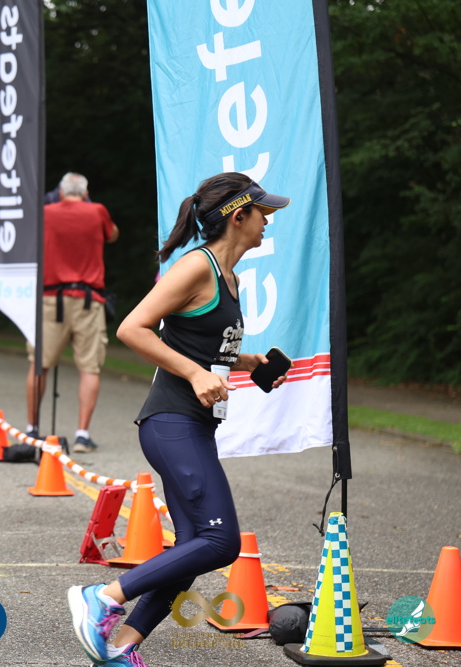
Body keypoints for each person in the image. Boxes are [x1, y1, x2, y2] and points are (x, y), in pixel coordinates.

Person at [66, 172, 291, 666]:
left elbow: (196, 344)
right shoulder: (196, 266)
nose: (268, 220)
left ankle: (120, 647)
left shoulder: (229, 278)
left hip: (194, 427)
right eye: (263, 212)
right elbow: (133, 328)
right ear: (238, 216)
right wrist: (192, 373)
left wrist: (247, 362)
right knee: (220, 541)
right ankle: (101, 598)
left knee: (192, 548)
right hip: (172, 423)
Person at [25, 172, 119, 452]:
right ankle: (82, 435)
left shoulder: (45, 213)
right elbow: (113, 235)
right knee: (89, 367)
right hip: (89, 300)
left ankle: (32, 429)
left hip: (50, 299)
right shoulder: (97, 211)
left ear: (61, 192)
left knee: (39, 364)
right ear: (86, 193)